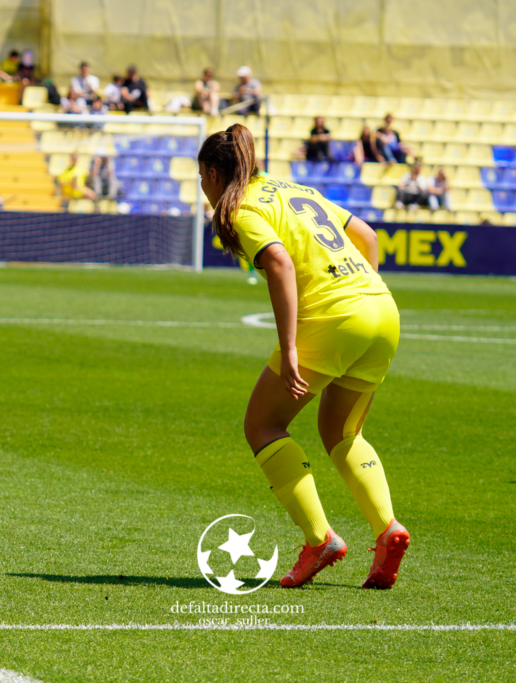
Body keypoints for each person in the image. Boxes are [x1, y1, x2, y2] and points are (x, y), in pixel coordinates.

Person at [197, 123, 409, 590]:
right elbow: (369, 237)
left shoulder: (244, 207)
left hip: (332, 320)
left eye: (202, 179)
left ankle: (321, 540)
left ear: (213, 173)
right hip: (382, 309)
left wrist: (291, 348)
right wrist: (360, 294)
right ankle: (387, 529)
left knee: (263, 425)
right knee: (343, 430)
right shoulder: (294, 188)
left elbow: (278, 262)